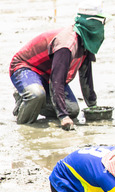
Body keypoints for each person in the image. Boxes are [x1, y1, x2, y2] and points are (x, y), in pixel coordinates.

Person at [9, 1, 107, 130]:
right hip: (27, 68)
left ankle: (32, 102)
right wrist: (62, 116)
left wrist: (92, 106)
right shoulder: (66, 45)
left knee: (72, 110)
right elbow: (57, 81)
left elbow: (85, 75)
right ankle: (25, 123)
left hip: (49, 75)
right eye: (101, 23)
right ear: (91, 24)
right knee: (36, 95)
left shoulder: (85, 42)